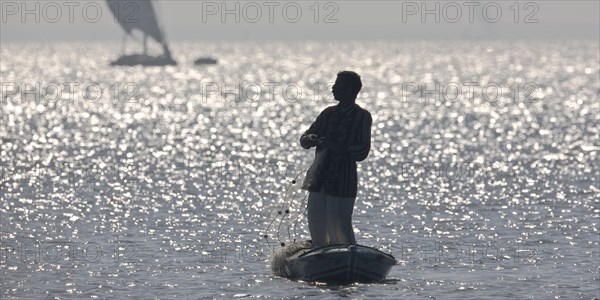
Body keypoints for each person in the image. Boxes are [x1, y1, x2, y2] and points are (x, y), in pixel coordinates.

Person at [300, 71, 372, 247]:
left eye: (337, 85)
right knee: (316, 221)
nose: (333, 88)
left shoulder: (361, 116)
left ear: (350, 90)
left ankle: (346, 257)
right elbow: (305, 138)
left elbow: (362, 151)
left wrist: (337, 147)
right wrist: (310, 139)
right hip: (318, 179)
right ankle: (320, 254)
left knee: (339, 224)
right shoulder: (327, 113)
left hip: (343, 181)